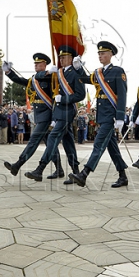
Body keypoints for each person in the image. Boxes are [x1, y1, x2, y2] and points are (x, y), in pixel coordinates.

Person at [70, 41, 129, 188]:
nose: (100, 56)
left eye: (103, 53)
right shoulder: (99, 73)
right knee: (112, 147)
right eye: (99, 53)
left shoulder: (118, 71)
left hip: (111, 115)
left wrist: (120, 116)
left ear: (111, 55)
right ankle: (123, 176)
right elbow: (85, 79)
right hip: (102, 115)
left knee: (98, 144)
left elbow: (122, 95)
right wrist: (77, 69)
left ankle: (84, 173)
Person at [23, 45, 86, 182]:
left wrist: (63, 99)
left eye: (64, 57)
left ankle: (40, 169)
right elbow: (38, 78)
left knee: (52, 138)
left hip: (68, 111)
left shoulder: (76, 73)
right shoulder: (59, 73)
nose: (61, 59)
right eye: (60, 57)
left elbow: (81, 95)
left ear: (71, 58)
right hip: (59, 112)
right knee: (68, 142)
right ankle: (76, 171)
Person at [2, 53, 62, 177]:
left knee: (33, 140)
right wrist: (9, 72)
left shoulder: (50, 77)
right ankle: (59, 170)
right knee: (50, 144)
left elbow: (45, 79)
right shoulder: (34, 79)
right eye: (35, 63)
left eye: (38, 63)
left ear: (45, 65)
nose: (36, 65)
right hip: (38, 115)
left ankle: (18, 165)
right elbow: (20, 80)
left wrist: (51, 73)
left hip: (47, 114)